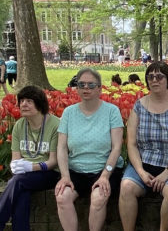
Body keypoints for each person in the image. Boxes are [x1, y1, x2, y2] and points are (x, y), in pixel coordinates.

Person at [119, 62, 168, 231]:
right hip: (143, 162)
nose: (154, 80)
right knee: (126, 187)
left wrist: (167, 172)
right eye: (150, 76)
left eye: (159, 76)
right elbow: (131, 144)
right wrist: (141, 172)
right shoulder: (138, 106)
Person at [55, 68, 124, 231]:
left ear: (100, 88)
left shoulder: (111, 111)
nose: (86, 88)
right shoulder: (68, 113)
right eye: (82, 85)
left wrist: (105, 175)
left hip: (104, 168)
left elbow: (116, 148)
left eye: (91, 85)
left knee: (99, 197)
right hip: (76, 170)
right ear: (77, 88)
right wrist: (65, 176)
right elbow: (61, 147)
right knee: (62, 197)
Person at [0, 86, 60, 230]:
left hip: (49, 173)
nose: (23, 104)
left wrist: (31, 167)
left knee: (18, 181)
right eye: (21, 101)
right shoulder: (19, 126)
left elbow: (54, 161)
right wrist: (16, 166)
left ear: (39, 104)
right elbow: (15, 158)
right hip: (24, 176)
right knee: (21, 190)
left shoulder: (55, 125)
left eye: (29, 101)